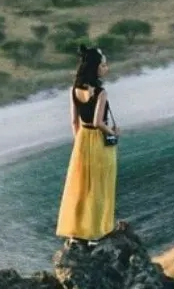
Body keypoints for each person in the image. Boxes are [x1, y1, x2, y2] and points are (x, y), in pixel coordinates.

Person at [56, 44, 119, 245]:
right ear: (95, 68)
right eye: (103, 64)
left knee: (80, 187)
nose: (105, 68)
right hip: (98, 142)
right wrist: (114, 132)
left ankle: (76, 231)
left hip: (82, 139)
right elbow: (99, 123)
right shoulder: (101, 92)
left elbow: (74, 122)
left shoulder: (74, 90)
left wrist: (79, 144)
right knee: (99, 186)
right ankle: (96, 232)